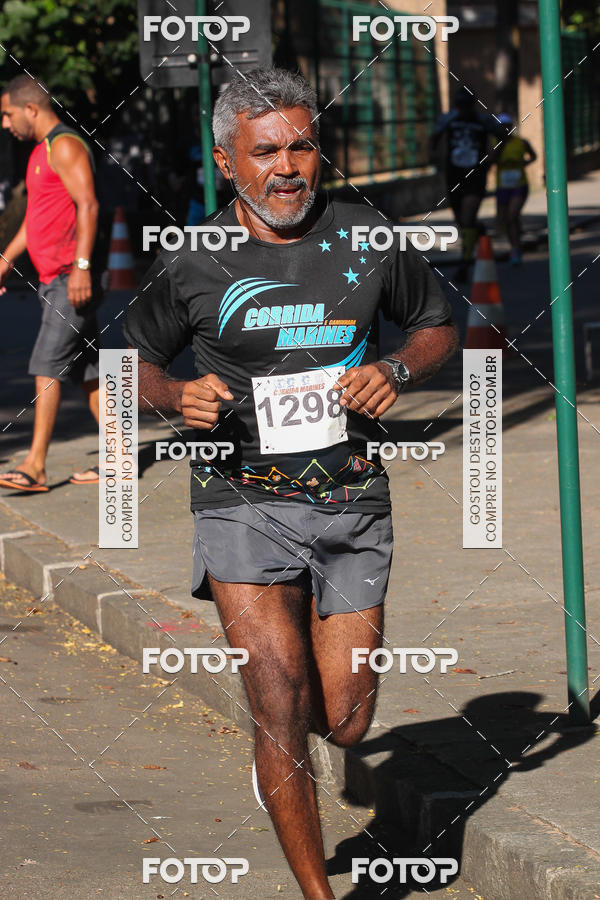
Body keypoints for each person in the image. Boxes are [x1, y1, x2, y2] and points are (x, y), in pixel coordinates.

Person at [123, 67, 458, 899]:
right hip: (241, 498)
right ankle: (318, 892)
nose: (287, 166)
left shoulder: (368, 236)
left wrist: (395, 369)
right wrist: (173, 395)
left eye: (301, 145)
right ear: (227, 161)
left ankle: (320, 719)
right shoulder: (197, 257)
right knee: (276, 699)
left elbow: (438, 326)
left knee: (344, 718)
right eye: (265, 150)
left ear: (321, 150)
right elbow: (123, 364)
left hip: (350, 497)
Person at [0, 74, 102, 492]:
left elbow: (88, 204)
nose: (5, 124)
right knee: (87, 371)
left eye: (7, 115)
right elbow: (35, 219)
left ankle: (36, 465)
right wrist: (6, 259)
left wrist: (81, 266)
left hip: (68, 279)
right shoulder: (39, 154)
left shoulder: (64, 145)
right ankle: (121, 458)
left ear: (30, 108)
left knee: (46, 363)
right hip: (50, 279)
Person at [431, 85, 505, 281]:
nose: (463, 110)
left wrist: (493, 157)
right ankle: (478, 231)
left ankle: (464, 264)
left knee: (467, 217)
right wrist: (435, 157)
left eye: (466, 106)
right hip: (454, 175)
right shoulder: (449, 119)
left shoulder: (483, 120)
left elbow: (503, 135)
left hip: (476, 176)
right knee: (462, 221)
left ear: (473, 105)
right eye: (460, 106)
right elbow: (434, 137)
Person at [490, 113, 537, 265]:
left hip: (519, 184)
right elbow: (491, 160)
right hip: (503, 186)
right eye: (501, 126)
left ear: (511, 127)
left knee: (512, 215)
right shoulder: (495, 143)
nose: (504, 129)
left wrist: (525, 164)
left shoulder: (521, 142)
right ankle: (514, 246)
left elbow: (533, 156)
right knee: (508, 220)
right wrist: (501, 145)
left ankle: (516, 248)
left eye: (507, 126)